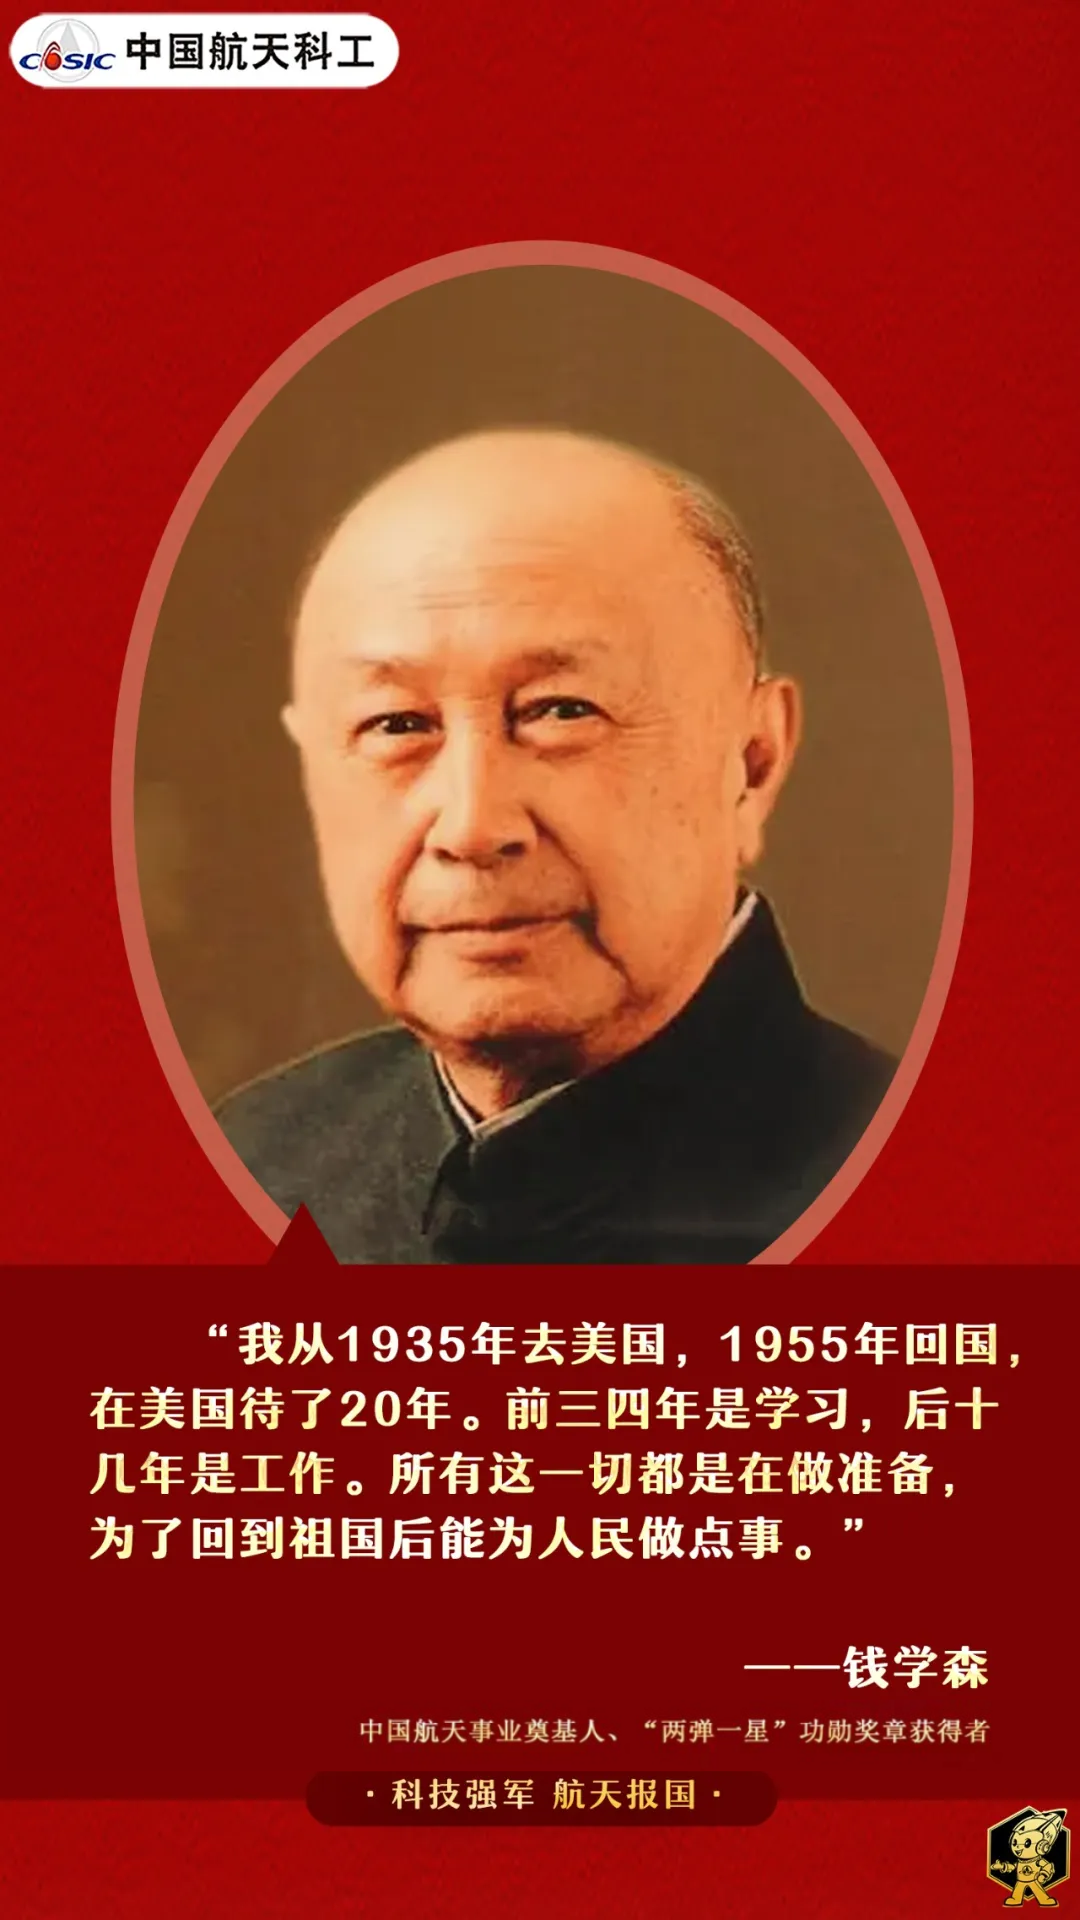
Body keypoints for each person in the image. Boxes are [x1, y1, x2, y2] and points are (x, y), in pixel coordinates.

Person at [217, 427, 895, 1262]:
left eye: (561, 711)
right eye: (397, 725)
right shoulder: (257, 1160)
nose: (472, 827)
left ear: (752, 764)